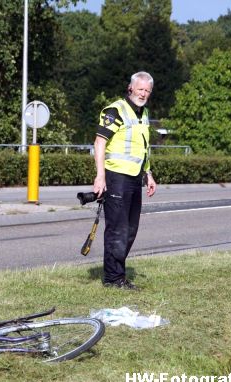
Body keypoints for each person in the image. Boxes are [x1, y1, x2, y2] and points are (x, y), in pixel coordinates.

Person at [92, 71, 157, 290]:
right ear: (130, 88)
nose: (143, 94)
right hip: (116, 176)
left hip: (135, 177)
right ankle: (113, 279)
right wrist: (100, 177)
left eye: (147, 91)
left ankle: (118, 274)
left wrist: (148, 174)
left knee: (130, 230)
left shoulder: (144, 113)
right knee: (117, 229)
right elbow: (99, 143)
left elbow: (143, 147)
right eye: (140, 89)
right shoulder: (115, 110)